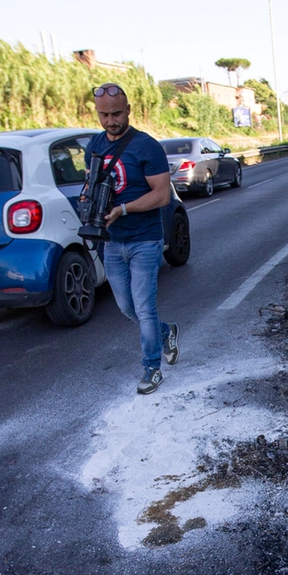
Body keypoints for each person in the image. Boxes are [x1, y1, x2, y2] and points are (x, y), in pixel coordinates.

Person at [84, 83, 179, 395]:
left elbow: (163, 195)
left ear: (128, 111)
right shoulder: (95, 144)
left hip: (145, 240)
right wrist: (89, 199)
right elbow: (93, 182)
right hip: (112, 240)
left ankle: (152, 368)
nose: (110, 121)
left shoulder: (146, 146)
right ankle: (167, 333)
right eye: (103, 115)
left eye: (116, 114)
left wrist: (122, 209)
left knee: (144, 307)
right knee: (127, 308)